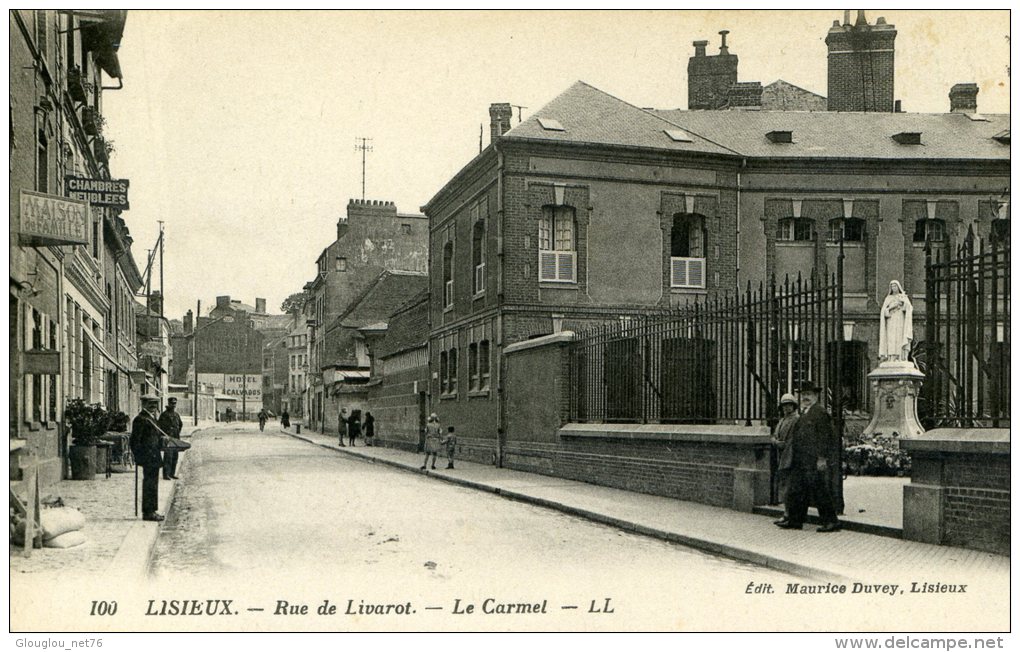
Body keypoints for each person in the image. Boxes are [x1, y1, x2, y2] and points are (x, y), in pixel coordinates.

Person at [778, 382, 841, 533]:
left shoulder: (820, 412)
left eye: (809, 394)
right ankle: (795, 520)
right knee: (798, 491)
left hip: (813, 459)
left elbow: (826, 437)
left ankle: (831, 521)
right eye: (804, 394)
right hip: (801, 460)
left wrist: (822, 458)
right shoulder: (805, 413)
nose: (806, 397)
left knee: (820, 490)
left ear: (816, 396)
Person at [130, 396, 166, 522]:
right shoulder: (140, 419)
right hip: (148, 457)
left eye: (155, 404)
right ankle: (148, 512)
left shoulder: (152, 419)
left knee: (153, 484)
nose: (153, 406)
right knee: (149, 484)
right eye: (150, 404)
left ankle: (152, 510)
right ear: (144, 404)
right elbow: (134, 441)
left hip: (154, 456)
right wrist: (140, 457)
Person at [771, 393, 800, 523]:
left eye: (789, 405)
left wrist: (783, 445)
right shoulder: (782, 420)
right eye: (784, 406)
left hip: (790, 458)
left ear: (794, 406)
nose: (786, 408)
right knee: (784, 488)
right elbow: (774, 436)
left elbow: (794, 440)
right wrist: (775, 442)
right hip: (781, 456)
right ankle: (786, 513)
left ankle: (790, 515)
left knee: (790, 489)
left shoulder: (796, 420)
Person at [879, 280, 913, 362]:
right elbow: (884, 311)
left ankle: (900, 356)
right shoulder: (888, 298)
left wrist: (903, 303)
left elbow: (909, 308)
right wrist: (891, 307)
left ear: (898, 287)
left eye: (895, 286)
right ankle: (891, 357)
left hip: (900, 319)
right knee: (891, 338)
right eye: (892, 286)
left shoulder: (903, 297)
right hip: (891, 320)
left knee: (899, 337)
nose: (894, 288)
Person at [159, 397, 184, 480]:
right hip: (168, 439)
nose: (173, 405)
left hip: (175, 438)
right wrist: (165, 435)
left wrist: (177, 433)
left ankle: (172, 473)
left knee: (175, 457)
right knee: (168, 457)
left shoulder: (176, 415)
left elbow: (180, 424)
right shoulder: (164, 415)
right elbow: (160, 427)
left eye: (175, 403)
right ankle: (166, 474)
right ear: (168, 404)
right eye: (172, 403)